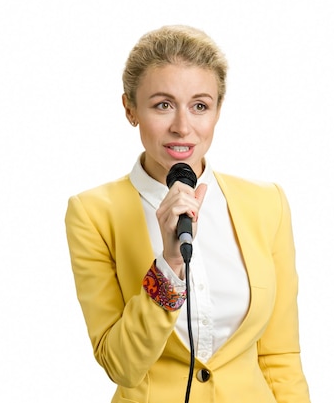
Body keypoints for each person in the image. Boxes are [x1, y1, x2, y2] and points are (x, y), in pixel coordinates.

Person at [65, 25, 311, 403]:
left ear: (217, 111)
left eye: (200, 105)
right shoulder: (94, 213)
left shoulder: (266, 203)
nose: (182, 127)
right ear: (130, 109)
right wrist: (168, 265)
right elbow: (121, 365)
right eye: (163, 104)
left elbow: (281, 357)